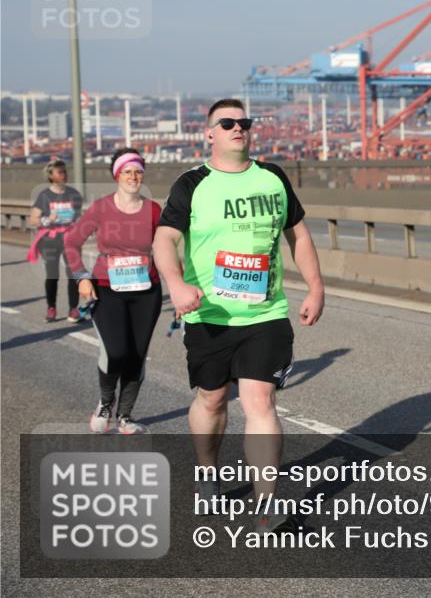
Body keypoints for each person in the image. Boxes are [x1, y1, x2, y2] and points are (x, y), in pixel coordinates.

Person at [152, 98, 324, 533]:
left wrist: (316, 287)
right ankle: (207, 472)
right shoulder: (192, 184)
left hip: (265, 314)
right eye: (226, 123)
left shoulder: (272, 177)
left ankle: (267, 501)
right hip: (208, 314)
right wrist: (175, 283)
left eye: (243, 122)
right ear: (208, 133)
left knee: (260, 402)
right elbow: (164, 239)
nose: (237, 128)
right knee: (211, 399)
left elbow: (298, 234)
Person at [64, 149, 163, 435]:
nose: (133, 177)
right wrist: (82, 277)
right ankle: (105, 404)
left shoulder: (154, 210)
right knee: (116, 350)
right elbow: (72, 243)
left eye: (138, 171)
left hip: (147, 291)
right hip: (106, 289)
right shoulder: (101, 208)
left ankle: (126, 415)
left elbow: (166, 249)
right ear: (117, 175)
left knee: (137, 354)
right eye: (127, 171)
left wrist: (180, 285)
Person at [28, 159, 83, 322]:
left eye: (65, 171)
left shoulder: (73, 194)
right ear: (51, 176)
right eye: (60, 172)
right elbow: (33, 220)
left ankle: (73, 309)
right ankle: (51, 308)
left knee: (73, 273)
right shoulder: (44, 195)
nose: (64, 174)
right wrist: (47, 220)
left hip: (69, 237)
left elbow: (79, 215)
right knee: (52, 275)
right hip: (50, 239)